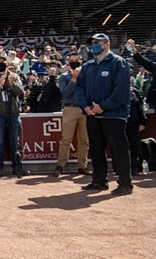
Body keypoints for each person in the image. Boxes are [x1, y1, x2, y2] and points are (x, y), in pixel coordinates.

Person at [75, 33, 133, 195]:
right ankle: (99, 181)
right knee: (96, 149)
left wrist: (103, 106)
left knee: (118, 149)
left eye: (97, 42)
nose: (94, 45)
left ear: (107, 44)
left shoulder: (118, 63)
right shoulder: (88, 66)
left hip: (114, 115)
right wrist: (86, 106)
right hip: (92, 115)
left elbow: (121, 91)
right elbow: (79, 88)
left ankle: (125, 183)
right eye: (92, 42)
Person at [0, 54, 26, 177]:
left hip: (13, 113)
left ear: (7, 63)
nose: (0, 64)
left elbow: (20, 92)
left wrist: (12, 84)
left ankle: (17, 167)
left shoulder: (14, 76)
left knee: (15, 142)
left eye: (2, 61)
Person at [53, 53, 91, 177]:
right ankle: (60, 166)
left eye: (77, 60)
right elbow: (65, 93)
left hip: (85, 109)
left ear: (81, 61)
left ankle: (82, 166)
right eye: (72, 60)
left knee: (84, 140)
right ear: (68, 62)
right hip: (70, 108)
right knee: (66, 139)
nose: (74, 62)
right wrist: (74, 79)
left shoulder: (86, 76)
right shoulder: (64, 77)